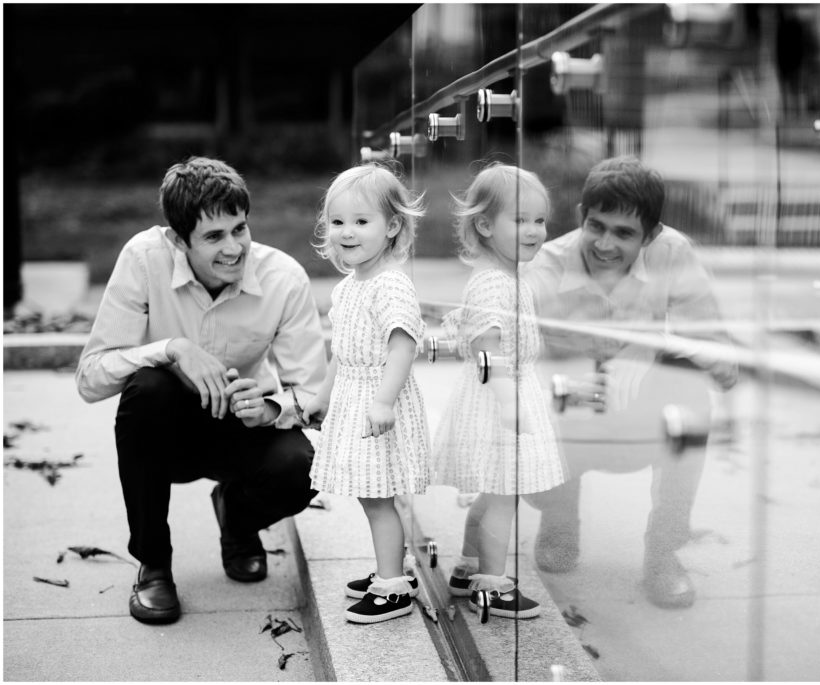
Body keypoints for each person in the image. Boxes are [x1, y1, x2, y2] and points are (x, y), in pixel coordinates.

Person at [75, 156, 327, 625]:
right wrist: (170, 349)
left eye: (240, 229)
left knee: (304, 466)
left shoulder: (283, 278)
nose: (234, 248)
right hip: (165, 434)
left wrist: (270, 409)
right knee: (147, 389)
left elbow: (313, 394)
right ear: (177, 240)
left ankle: (237, 517)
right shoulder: (143, 259)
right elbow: (91, 378)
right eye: (214, 237)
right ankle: (154, 565)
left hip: (240, 430)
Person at [523, 155, 737, 608]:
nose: (604, 244)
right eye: (596, 225)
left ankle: (663, 554)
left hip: (641, 406)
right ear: (582, 216)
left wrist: (652, 345)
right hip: (570, 408)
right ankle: (559, 519)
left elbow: (718, 350)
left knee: (691, 401)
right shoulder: (548, 265)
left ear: (651, 235)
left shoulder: (673, 251)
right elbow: (507, 346)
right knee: (533, 405)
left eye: (624, 233)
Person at [432, 164, 567, 620]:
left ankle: (468, 568)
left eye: (539, 220)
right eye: (520, 220)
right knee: (504, 495)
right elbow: (487, 347)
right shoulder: (494, 282)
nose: (534, 231)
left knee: (493, 492)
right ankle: (492, 584)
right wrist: (509, 402)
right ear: (485, 225)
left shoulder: (506, 275)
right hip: (499, 400)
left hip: (497, 396)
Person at [301, 164, 431, 625]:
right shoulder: (348, 287)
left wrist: (383, 400)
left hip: (379, 403)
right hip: (355, 399)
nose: (347, 232)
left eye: (361, 221)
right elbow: (342, 350)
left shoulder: (390, 283)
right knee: (371, 496)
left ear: (392, 225)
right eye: (338, 222)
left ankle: (393, 586)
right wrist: (322, 395)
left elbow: (403, 343)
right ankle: (390, 569)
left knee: (379, 498)